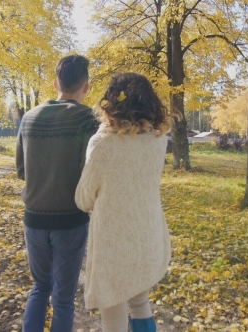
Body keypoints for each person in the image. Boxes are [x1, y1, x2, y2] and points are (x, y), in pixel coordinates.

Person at [75, 72, 172, 332]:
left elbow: (83, 198)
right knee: (140, 303)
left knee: (113, 315)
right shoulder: (158, 140)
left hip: (114, 242)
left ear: (111, 104)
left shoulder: (103, 143)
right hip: (147, 233)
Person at [15, 54, 98, 332]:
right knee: (63, 298)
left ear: (55, 83)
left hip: (34, 219)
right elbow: (93, 172)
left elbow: (21, 170)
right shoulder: (88, 120)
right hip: (70, 221)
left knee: (39, 286)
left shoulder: (28, 118)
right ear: (85, 86)